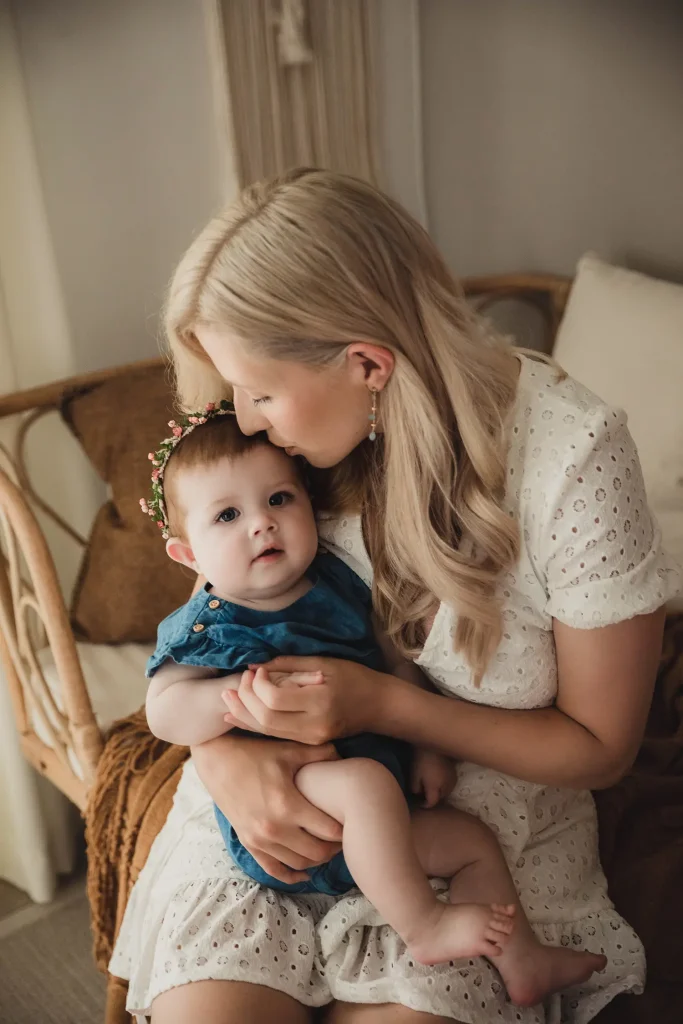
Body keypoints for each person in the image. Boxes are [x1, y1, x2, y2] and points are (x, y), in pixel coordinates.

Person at [110, 168, 680, 1024]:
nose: (247, 422)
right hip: (270, 800)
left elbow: (601, 750)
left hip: (472, 826)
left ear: (367, 365)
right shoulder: (292, 444)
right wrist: (227, 761)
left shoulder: (572, 463)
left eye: (259, 394)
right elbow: (222, 621)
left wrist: (383, 705)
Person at [142, 408, 605, 998]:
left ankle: (523, 962)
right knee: (364, 785)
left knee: (472, 843)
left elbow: (397, 666)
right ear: (188, 555)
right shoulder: (209, 623)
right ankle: (425, 926)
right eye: (228, 515)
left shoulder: (339, 585)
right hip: (291, 811)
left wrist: (428, 749)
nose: (262, 523)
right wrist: (233, 698)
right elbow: (163, 710)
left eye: (279, 499)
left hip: (380, 825)